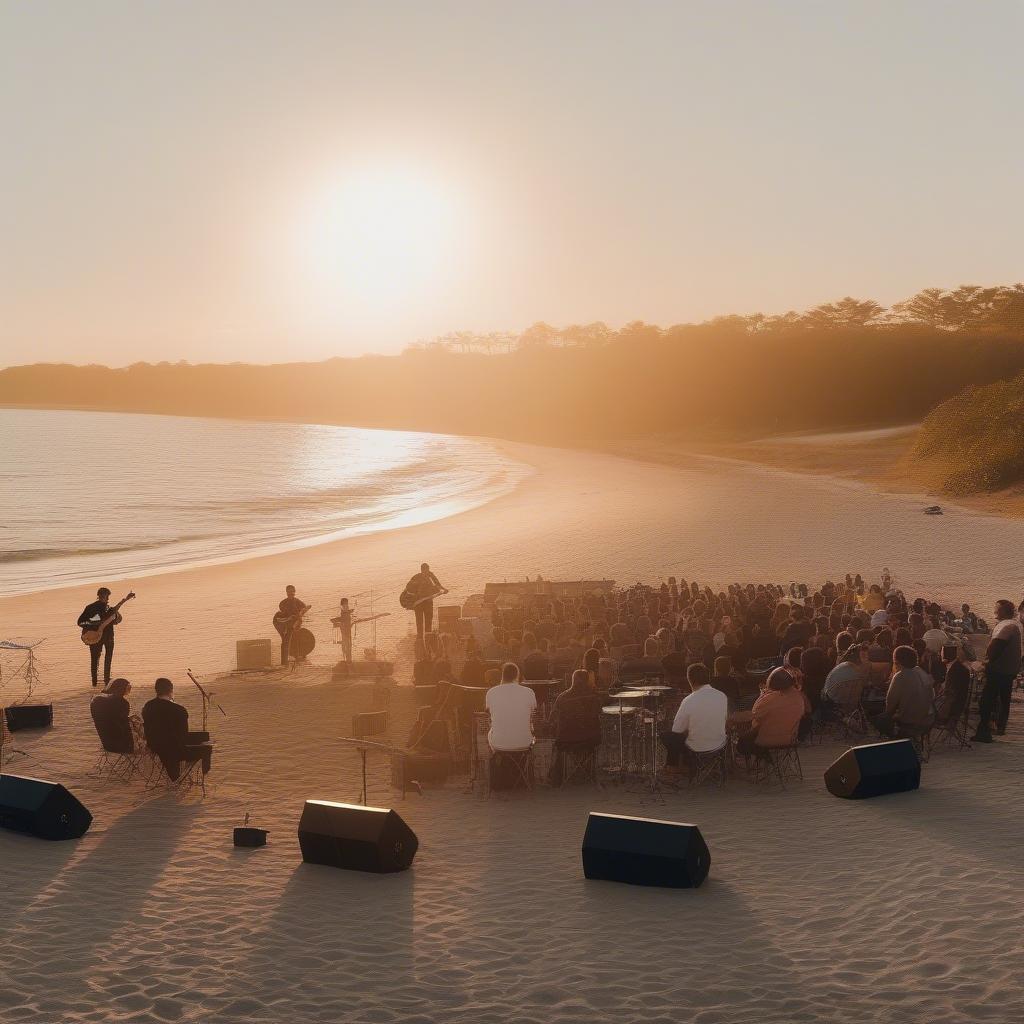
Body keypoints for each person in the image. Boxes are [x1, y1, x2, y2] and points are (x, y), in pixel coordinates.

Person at [660, 663, 728, 778]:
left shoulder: (689, 700)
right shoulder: (722, 696)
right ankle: (685, 766)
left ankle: (675, 767)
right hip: (719, 744)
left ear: (690, 680)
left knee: (668, 736)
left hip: (698, 747)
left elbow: (677, 729)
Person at [141, 678, 213, 779]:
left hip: (154, 745)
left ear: (157, 690)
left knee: (204, 735)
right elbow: (182, 736)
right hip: (174, 749)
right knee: (207, 748)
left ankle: (187, 766)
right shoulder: (179, 710)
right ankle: (204, 775)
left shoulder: (148, 706)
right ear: (171, 691)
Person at [973, 599, 1023, 742]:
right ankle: (1000, 727)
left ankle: (984, 732)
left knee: (987, 700)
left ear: (1004, 611)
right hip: (1009, 669)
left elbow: (995, 648)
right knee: (1004, 697)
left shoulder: (1006, 626)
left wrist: (984, 664)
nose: (994, 610)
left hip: (1000, 670)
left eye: (997, 608)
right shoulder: (1012, 624)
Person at [738, 664, 807, 757]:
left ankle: (763, 762)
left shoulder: (771, 698)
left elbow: (754, 714)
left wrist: (762, 696)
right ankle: (770, 762)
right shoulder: (799, 697)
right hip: (790, 739)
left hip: (766, 740)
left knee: (742, 741)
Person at [548, 669, 602, 785]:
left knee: (556, 742)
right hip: (590, 740)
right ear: (587, 680)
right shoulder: (594, 696)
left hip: (566, 741)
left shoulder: (562, 697)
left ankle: (557, 778)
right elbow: (598, 714)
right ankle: (591, 773)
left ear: (572, 681)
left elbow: (552, 718)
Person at [874, 646, 935, 739]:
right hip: (929, 720)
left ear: (897, 661)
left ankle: (896, 740)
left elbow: (890, 706)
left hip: (911, 722)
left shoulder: (900, 676)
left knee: (880, 718)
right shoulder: (921, 671)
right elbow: (932, 695)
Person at [484, 662, 536, 752]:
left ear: (502, 676)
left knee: (490, 732)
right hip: (524, 743)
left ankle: (495, 758)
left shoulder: (491, 692)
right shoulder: (529, 692)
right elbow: (533, 713)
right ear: (517, 676)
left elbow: (488, 713)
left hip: (498, 744)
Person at [78, 586, 121, 688]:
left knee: (95, 658)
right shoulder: (94, 608)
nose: (107, 599)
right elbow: (80, 622)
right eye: (107, 597)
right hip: (101, 636)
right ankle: (105, 680)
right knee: (107, 657)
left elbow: (80, 622)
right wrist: (95, 624)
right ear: (103, 596)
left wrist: (91, 626)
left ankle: (95, 681)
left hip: (99, 636)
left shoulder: (102, 608)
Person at [90, 677, 134, 753]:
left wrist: (128, 719)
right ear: (122, 689)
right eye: (128, 688)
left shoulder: (96, 700)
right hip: (124, 746)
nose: (129, 690)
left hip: (107, 743)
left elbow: (111, 719)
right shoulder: (123, 703)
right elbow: (125, 727)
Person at [936, 644, 971, 729]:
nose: (940, 655)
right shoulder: (958, 666)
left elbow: (948, 694)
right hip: (956, 705)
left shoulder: (955, 670)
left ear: (946, 655)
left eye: (942, 653)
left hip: (950, 710)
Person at [273, 585, 309, 668]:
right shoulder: (283, 603)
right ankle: (284, 663)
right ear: (286, 593)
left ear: (295, 592)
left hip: (296, 624)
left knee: (296, 640)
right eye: (289, 592)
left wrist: (302, 613)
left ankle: (297, 659)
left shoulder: (298, 601)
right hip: (286, 625)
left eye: (292, 591)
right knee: (285, 642)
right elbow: (283, 616)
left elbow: (305, 608)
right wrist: (290, 618)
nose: (291, 593)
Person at [406, 563, 444, 637]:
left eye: (428, 570)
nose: (427, 572)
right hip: (420, 603)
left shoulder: (429, 575)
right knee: (421, 621)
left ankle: (426, 637)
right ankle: (421, 637)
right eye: (426, 570)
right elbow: (408, 589)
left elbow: (437, 583)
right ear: (423, 570)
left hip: (426, 602)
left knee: (427, 620)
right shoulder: (417, 577)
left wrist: (443, 589)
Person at [333, 597, 353, 663]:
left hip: (347, 629)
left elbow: (345, 614)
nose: (347, 605)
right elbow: (344, 615)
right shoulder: (343, 608)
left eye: (347, 603)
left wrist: (349, 612)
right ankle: (347, 660)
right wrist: (349, 612)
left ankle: (347, 659)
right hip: (345, 629)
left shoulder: (344, 609)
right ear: (343, 603)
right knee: (347, 644)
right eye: (346, 603)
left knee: (347, 644)